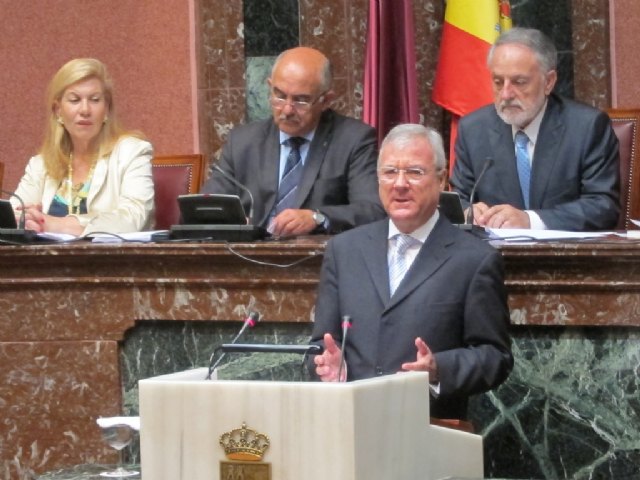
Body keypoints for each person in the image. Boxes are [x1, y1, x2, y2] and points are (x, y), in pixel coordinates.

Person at [310, 124, 513, 420]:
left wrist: (438, 368)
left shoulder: (474, 259)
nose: (400, 184)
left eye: (415, 172)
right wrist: (327, 363)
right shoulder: (344, 251)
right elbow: (320, 344)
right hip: (349, 423)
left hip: (429, 427)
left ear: (442, 180)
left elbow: (494, 357)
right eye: (390, 172)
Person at [200, 46, 385, 236]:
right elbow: (205, 209)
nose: (287, 110)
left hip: (316, 260)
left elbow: (372, 210)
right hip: (247, 258)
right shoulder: (243, 142)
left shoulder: (353, 140)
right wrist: (228, 220)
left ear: (326, 100)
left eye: (301, 100)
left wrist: (317, 218)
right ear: (269, 86)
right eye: (279, 96)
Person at [450, 27, 620, 231]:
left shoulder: (587, 127)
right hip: (494, 259)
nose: (505, 94)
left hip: (566, 259)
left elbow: (603, 207)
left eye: (519, 82)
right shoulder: (474, 129)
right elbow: (458, 200)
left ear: (549, 82)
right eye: (497, 82)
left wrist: (529, 220)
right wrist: (469, 212)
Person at [12, 58, 154, 236]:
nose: (85, 110)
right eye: (74, 100)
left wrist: (57, 224)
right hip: (44, 262)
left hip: (113, 261)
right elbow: (13, 214)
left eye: (95, 100)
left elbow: (133, 218)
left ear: (107, 109)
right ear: (58, 111)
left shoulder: (132, 152)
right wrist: (26, 220)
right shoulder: (41, 164)